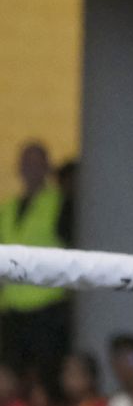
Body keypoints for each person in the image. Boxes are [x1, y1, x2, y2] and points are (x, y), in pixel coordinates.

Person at [0, 141, 73, 384]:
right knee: (10, 379)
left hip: (48, 308)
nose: (30, 170)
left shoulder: (61, 204)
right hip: (12, 310)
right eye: (26, 164)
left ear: (46, 168)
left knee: (46, 381)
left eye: (36, 164)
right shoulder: (7, 209)